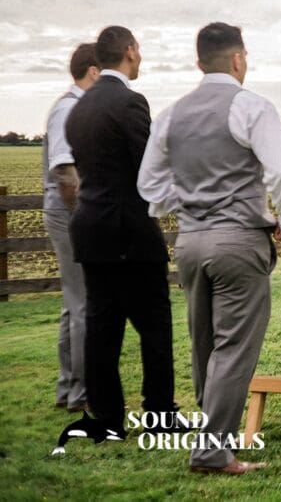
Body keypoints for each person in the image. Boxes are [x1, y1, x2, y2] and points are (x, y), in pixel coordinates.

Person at [138, 22, 281, 475]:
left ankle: (214, 435)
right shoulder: (252, 107)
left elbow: (149, 187)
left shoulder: (172, 114)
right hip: (238, 242)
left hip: (190, 242)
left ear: (199, 62)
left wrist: (193, 203)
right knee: (234, 346)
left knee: (204, 343)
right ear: (238, 59)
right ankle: (213, 451)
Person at [64, 26, 179, 440]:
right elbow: (147, 167)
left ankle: (107, 417)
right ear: (130, 51)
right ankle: (160, 412)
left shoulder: (79, 108)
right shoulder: (130, 102)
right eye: (139, 49)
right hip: (128, 228)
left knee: (102, 326)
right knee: (154, 325)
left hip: (90, 227)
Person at [43, 42, 100, 413]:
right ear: (93, 70)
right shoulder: (70, 107)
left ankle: (68, 387)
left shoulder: (68, 105)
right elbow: (65, 172)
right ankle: (82, 393)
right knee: (83, 303)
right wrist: (84, 217)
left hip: (63, 212)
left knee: (71, 303)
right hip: (69, 214)